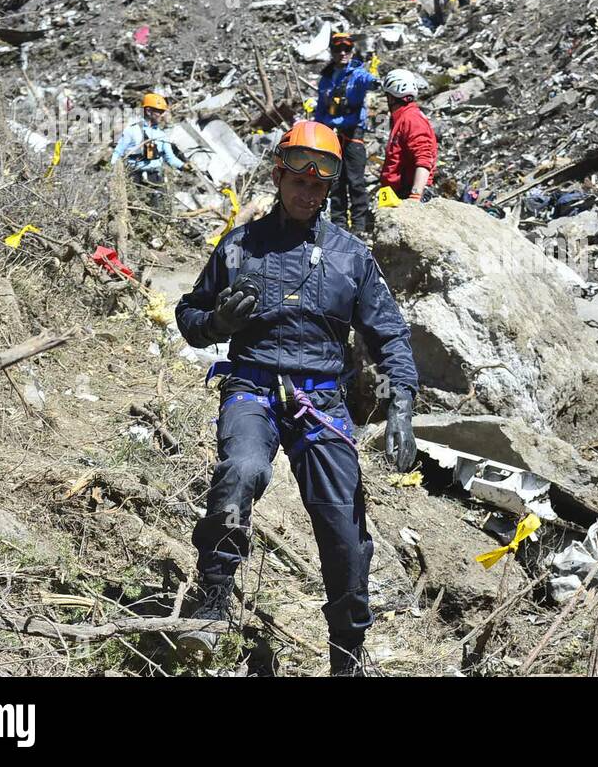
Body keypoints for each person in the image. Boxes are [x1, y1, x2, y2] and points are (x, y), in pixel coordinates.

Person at [174, 120, 420, 676]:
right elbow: (188, 316)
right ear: (279, 174)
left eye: (320, 183)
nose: (308, 192)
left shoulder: (350, 257)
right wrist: (216, 321)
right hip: (252, 388)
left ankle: (347, 654)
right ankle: (213, 600)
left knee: (343, 529)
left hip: (321, 402)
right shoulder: (240, 246)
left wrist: (402, 404)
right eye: (298, 179)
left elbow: (391, 334)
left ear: (330, 187)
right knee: (240, 471)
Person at [312, 31, 378, 234]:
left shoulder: (357, 73)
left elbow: (368, 80)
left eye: (347, 48)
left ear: (351, 50)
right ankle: (339, 225)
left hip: (352, 132)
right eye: (338, 48)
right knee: (335, 180)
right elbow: (321, 110)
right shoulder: (326, 79)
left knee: (356, 179)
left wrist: (377, 82)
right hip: (331, 133)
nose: (342, 52)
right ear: (331, 51)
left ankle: (359, 225)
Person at [379, 70, 437, 202]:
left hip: (407, 192)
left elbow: (424, 156)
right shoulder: (402, 117)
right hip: (395, 192)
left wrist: (415, 195)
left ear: (391, 97)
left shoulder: (411, 118)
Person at [109, 92, 184, 186]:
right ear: (148, 111)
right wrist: (113, 174)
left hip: (155, 178)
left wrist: (184, 166)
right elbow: (117, 153)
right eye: (159, 112)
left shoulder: (162, 135)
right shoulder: (132, 130)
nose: (162, 115)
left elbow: (170, 158)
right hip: (133, 179)